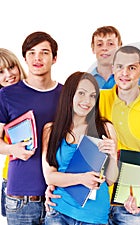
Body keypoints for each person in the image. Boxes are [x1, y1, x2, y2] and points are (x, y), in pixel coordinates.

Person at [0, 31, 62, 224]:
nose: (37, 58)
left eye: (44, 52)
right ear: (24, 58)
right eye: (32, 52)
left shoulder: (66, 94)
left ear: (54, 58)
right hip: (22, 198)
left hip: (59, 195)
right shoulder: (7, 95)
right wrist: (12, 149)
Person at [99, 45, 140, 225]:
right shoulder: (99, 99)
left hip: (132, 200)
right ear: (112, 68)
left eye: (132, 68)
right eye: (119, 66)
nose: (124, 73)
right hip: (98, 195)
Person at [42, 72, 118, 224]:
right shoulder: (51, 130)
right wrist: (81, 179)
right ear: (69, 95)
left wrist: (113, 156)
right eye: (81, 93)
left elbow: (110, 180)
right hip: (59, 210)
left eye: (92, 95)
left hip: (94, 215)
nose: (87, 101)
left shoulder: (105, 128)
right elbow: (50, 176)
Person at [0, 48, 27, 218]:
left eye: (11, 67)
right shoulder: (2, 100)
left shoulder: (33, 91)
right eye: (0, 72)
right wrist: (12, 149)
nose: (8, 74)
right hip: (15, 180)